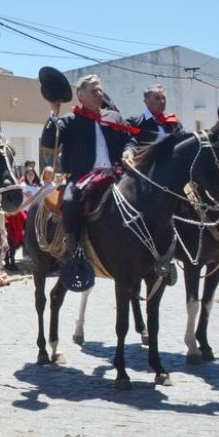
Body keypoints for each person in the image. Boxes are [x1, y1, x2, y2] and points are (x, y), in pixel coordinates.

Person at [40, 74, 139, 286]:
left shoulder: (113, 118)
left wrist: (129, 151)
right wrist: (54, 112)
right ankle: (74, 251)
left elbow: (130, 139)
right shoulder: (69, 120)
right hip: (83, 178)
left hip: (116, 174)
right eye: (93, 90)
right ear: (80, 95)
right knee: (69, 200)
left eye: (100, 89)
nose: (99, 94)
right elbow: (49, 141)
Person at [123, 84, 182, 158]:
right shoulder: (136, 122)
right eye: (157, 98)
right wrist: (129, 151)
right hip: (146, 166)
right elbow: (131, 142)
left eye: (164, 98)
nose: (162, 101)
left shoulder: (173, 123)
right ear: (146, 102)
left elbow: (183, 141)